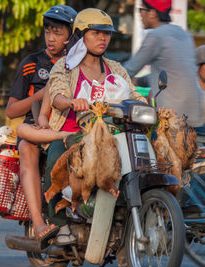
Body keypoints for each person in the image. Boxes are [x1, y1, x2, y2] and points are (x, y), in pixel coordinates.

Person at [38, 8, 147, 246]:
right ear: (80, 35)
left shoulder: (115, 68)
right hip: (69, 132)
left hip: (113, 132)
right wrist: (70, 102)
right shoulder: (65, 67)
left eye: (107, 33)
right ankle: (59, 222)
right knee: (57, 158)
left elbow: (134, 93)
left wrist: (148, 106)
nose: (103, 38)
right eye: (96, 33)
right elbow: (56, 94)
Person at [5, 5, 77, 249]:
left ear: (71, 35)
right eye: (48, 31)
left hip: (69, 128)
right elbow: (11, 110)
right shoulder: (32, 63)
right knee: (27, 148)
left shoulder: (78, 64)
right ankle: (38, 224)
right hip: (35, 128)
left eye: (57, 32)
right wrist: (39, 96)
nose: (50, 38)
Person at [123, 0, 205, 127]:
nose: (140, 14)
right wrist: (139, 81)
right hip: (194, 115)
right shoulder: (184, 35)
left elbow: (129, 70)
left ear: (152, 13)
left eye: (141, 10)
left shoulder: (156, 36)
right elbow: (172, 75)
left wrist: (106, 78)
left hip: (172, 119)